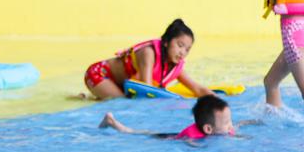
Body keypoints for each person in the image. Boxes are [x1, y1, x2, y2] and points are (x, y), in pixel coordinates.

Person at [83, 19, 212, 100]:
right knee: (123, 103)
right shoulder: (148, 53)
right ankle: (99, 92)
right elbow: (148, 91)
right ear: (166, 42)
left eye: (187, 49)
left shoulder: (175, 67)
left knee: (126, 99)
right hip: (99, 74)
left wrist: (217, 101)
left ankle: (89, 97)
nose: (182, 52)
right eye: (180, 45)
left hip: (120, 84)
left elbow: (197, 89)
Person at [100, 94, 241, 139]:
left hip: (175, 133)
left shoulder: (217, 128)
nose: (231, 125)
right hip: (170, 138)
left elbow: (238, 126)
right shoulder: (192, 138)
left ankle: (112, 122)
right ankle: (113, 123)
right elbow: (191, 145)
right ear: (208, 129)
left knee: (145, 132)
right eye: (227, 122)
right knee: (135, 133)